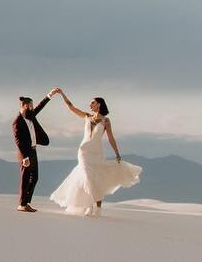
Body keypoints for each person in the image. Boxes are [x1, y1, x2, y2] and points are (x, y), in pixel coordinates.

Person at [47, 89, 142, 217]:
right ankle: (89, 205)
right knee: (88, 177)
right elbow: (71, 107)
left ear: (99, 104)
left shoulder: (106, 121)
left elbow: (111, 138)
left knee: (96, 179)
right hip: (84, 152)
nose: (90, 105)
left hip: (97, 153)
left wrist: (117, 153)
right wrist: (61, 93)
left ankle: (97, 208)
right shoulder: (87, 117)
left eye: (92, 103)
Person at [11, 93, 51, 212]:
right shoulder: (17, 121)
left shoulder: (30, 116)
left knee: (35, 178)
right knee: (25, 178)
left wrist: (49, 96)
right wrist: (25, 157)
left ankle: (26, 202)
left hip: (33, 151)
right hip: (26, 153)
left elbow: (40, 106)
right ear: (26, 106)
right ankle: (22, 205)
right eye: (31, 106)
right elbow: (18, 141)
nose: (33, 107)